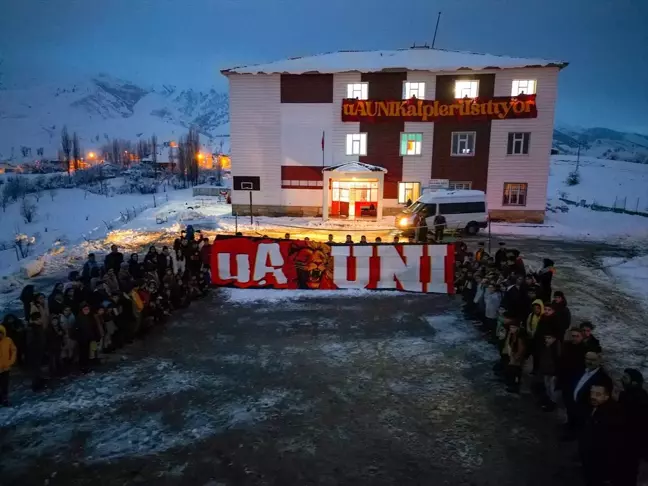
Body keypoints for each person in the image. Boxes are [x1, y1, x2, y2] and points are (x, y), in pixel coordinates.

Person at [579, 376, 623, 486]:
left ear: (607, 396)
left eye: (598, 395)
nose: (593, 397)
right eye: (592, 393)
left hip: (598, 460)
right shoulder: (593, 405)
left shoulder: (610, 414)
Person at [565, 352, 611, 438]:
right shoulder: (581, 369)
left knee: (579, 428)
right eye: (587, 359)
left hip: (584, 409)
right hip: (574, 404)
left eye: (593, 360)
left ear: (599, 361)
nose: (589, 362)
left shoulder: (603, 378)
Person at [618, 368, 648, 482]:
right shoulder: (630, 395)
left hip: (632, 443)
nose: (621, 379)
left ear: (634, 382)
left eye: (625, 378)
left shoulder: (638, 400)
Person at [558, 327, 587, 400]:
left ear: (582, 337)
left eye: (577, 336)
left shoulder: (585, 348)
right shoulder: (566, 345)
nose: (575, 338)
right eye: (573, 336)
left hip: (577, 376)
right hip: (565, 375)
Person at [536, 333, 561, 411]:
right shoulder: (547, 346)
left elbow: (558, 360)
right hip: (546, 371)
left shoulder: (556, 347)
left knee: (552, 388)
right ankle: (548, 401)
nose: (547, 340)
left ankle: (552, 403)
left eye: (549, 338)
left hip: (553, 372)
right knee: (548, 387)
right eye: (546, 338)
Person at [501, 321, 527, 393]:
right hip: (514, 355)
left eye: (513, 327)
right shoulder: (513, 334)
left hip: (517, 358)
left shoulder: (520, 336)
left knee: (516, 372)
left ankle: (515, 386)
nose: (511, 329)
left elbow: (521, 349)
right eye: (510, 327)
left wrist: (516, 357)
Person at [0, 324, 17, 406]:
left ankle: (5, 399)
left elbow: (13, 350)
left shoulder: (8, 340)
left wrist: (11, 361)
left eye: (1, 333)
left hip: (6, 368)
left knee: (5, 385)